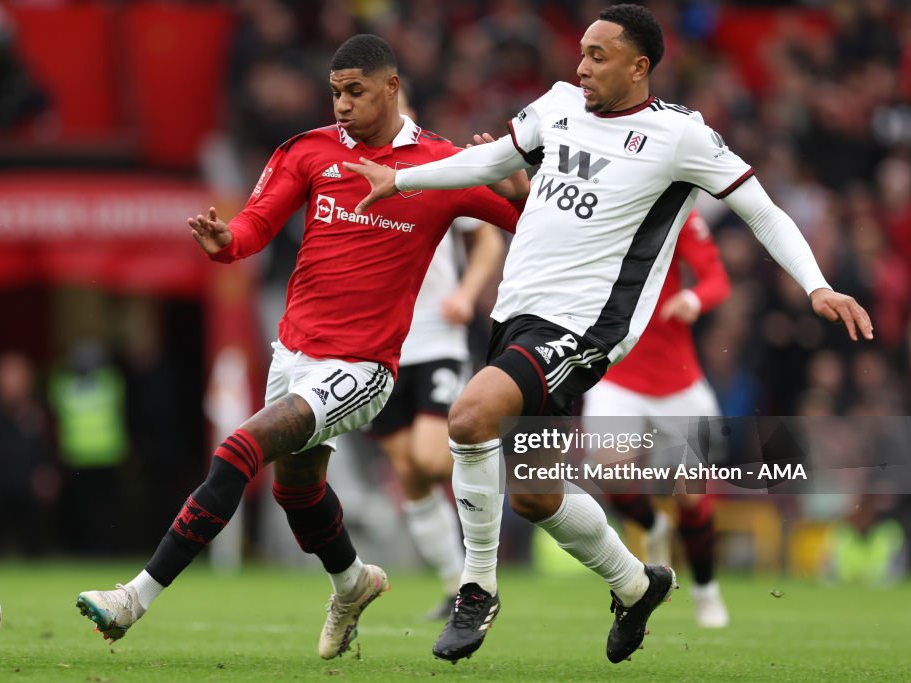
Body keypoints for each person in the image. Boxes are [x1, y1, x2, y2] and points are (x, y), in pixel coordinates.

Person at [346, 3, 873, 664]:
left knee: (470, 415)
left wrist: (816, 283)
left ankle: (475, 588)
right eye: (583, 52)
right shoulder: (558, 104)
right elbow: (489, 166)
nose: (582, 65)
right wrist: (401, 179)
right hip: (517, 315)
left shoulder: (680, 136)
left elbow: (761, 210)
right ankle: (635, 582)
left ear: (639, 65)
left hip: (586, 328)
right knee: (537, 494)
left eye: (598, 55)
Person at [76, 34, 526, 660]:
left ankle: (135, 597)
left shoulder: (438, 166)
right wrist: (225, 240)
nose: (341, 105)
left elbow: (525, 222)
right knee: (298, 491)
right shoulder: (308, 151)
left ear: (391, 87)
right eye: (335, 92)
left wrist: (517, 187)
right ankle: (352, 581)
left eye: (355, 91)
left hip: (363, 366)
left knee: (239, 449)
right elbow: (256, 224)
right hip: (293, 354)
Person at [363, 89, 507, 620]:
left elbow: (487, 239)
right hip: (382, 345)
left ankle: (484, 549)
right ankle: (455, 583)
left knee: (430, 456)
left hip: (437, 340)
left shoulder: (437, 165)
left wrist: (466, 295)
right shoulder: (358, 170)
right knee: (409, 472)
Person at [581, 210, 731, 628]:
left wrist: (694, 299)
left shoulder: (680, 213)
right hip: (618, 375)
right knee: (609, 472)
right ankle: (653, 524)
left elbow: (717, 279)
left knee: (693, 497)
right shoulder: (599, 207)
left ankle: (706, 591)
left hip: (678, 382)